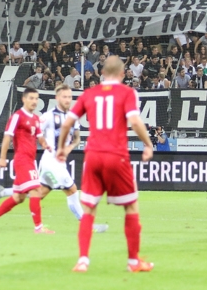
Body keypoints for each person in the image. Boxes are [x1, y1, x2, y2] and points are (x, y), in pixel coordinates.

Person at [57, 57, 154, 272]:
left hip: (92, 156)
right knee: (130, 206)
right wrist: (148, 144)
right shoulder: (127, 93)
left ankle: (83, 260)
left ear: (102, 73)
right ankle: (133, 262)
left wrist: (62, 148)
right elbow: (135, 121)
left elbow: (68, 122)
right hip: (116, 155)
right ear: (122, 74)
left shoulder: (89, 94)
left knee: (89, 210)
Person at [0, 84, 108, 233]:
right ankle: (86, 225)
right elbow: (33, 132)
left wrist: (68, 148)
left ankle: (3, 194)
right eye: (64, 96)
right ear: (57, 98)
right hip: (50, 161)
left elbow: (76, 139)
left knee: (36, 194)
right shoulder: (47, 116)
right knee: (72, 190)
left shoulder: (73, 117)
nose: (68, 99)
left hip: (59, 162)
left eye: (70, 97)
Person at [0, 87, 53, 233]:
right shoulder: (18, 116)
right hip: (22, 159)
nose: (34, 101)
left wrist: (46, 144)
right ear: (24, 99)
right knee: (35, 191)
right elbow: (7, 136)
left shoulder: (35, 119)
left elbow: (39, 136)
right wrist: (2, 158)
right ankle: (38, 227)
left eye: (36, 98)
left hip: (30, 160)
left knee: (19, 197)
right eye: (31, 98)